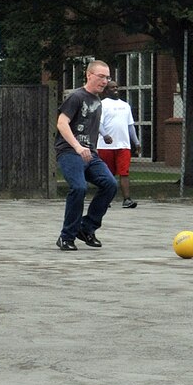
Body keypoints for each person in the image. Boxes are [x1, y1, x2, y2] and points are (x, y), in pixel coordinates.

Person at [54, 60, 118, 251]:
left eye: (107, 77)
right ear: (89, 75)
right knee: (79, 188)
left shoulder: (97, 100)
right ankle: (66, 236)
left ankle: (86, 228)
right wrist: (77, 147)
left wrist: (101, 138)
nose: (105, 81)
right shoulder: (76, 97)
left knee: (110, 184)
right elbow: (62, 123)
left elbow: (91, 126)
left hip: (90, 153)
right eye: (101, 76)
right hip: (69, 152)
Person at [97, 81, 141, 209]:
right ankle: (105, 200)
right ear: (106, 90)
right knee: (107, 174)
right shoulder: (102, 104)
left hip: (123, 145)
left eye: (117, 86)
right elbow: (99, 124)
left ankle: (127, 200)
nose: (115, 89)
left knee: (124, 172)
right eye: (112, 87)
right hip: (105, 146)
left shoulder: (125, 105)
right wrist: (105, 135)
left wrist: (136, 142)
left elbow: (130, 126)